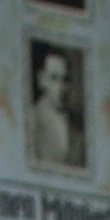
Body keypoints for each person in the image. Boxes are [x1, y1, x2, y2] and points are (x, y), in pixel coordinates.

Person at [27, 38, 86, 170]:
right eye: (54, 78)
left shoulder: (79, 124)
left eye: (66, 80)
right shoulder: (30, 120)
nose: (61, 88)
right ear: (42, 80)